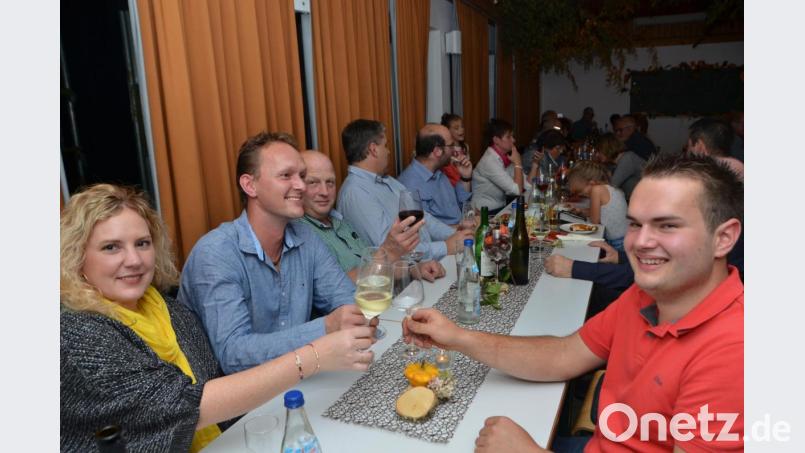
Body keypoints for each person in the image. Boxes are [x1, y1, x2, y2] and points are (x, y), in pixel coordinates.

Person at [404, 152, 744, 452]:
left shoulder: (735, 350)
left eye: (667, 225)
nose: (641, 242)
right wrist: (457, 336)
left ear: (724, 238)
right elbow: (564, 354)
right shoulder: (647, 297)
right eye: (635, 224)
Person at [61, 184, 375, 452]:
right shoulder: (75, 333)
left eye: (142, 244)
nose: (133, 260)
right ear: (78, 256)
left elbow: (217, 380)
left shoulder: (166, 309)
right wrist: (314, 355)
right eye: (111, 247)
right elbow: (182, 406)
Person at [178, 132, 370, 374]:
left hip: (300, 377)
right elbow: (233, 355)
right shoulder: (216, 253)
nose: (301, 186)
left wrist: (354, 317)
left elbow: (346, 299)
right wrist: (326, 327)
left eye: (301, 176)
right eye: (286, 175)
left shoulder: (306, 237)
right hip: (237, 394)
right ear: (250, 185)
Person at [337, 119, 473, 262]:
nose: (389, 151)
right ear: (373, 149)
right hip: (406, 272)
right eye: (386, 145)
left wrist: (456, 235)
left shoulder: (387, 181)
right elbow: (391, 250)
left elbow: (423, 218)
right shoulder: (356, 193)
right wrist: (445, 247)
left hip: (426, 263)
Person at [298, 150, 444, 281]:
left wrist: (413, 269)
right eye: (313, 182)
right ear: (297, 186)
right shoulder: (300, 232)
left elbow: (371, 268)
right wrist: (389, 251)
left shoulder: (339, 221)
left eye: (330, 182)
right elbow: (335, 288)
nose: (324, 192)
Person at [398, 123, 472, 226]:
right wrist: (461, 228)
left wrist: (465, 177)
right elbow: (425, 230)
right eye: (451, 146)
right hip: (450, 235)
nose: (454, 150)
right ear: (437, 151)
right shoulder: (410, 185)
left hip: (460, 230)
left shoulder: (439, 172)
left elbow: (462, 206)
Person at [472, 118, 531, 214]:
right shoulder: (489, 161)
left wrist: (535, 164)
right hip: (485, 212)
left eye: (512, 136)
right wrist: (518, 163)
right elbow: (517, 191)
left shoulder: (505, 157)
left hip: (502, 208)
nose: (513, 140)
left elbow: (528, 186)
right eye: (508, 137)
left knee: (530, 210)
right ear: (496, 140)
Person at [566, 160, 628, 251]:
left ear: (591, 183)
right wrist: (580, 211)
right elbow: (602, 212)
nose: (582, 195)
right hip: (626, 238)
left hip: (618, 243)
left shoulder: (596, 190)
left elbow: (595, 221)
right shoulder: (608, 188)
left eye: (581, 191)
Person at [597, 132, 646, 201]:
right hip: (633, 200)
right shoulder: (614, 163)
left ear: (608, 148)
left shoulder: (627, 159)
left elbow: (611, 188)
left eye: (599, 150)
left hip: (644, 202)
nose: (597, 154)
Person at [440, 113, 470, 187]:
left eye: (462, 126)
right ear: (447, 130)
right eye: (456, 128)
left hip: (463, 180)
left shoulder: (465, 146)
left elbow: (467, 165)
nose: (461, 130)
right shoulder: (446, 148)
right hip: (450, 183)